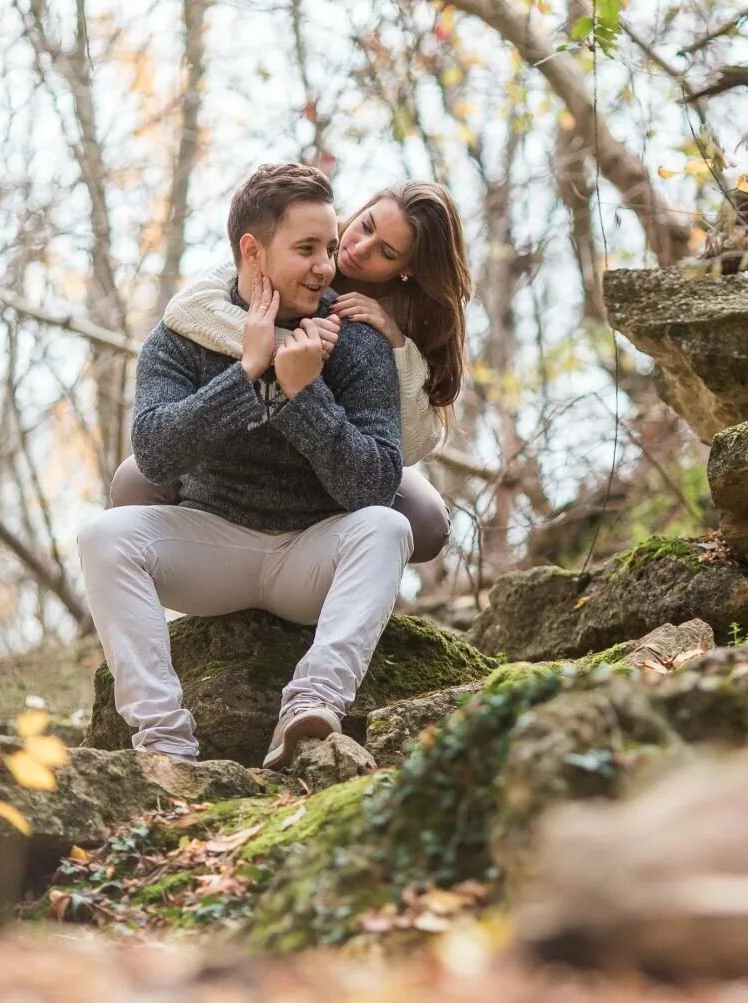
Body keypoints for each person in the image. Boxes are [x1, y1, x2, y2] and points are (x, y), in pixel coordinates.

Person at [78, 162, 411, 768]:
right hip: (214, 547)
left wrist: (301, 393)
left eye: (330, 248)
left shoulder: (356, 339)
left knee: (388, 527)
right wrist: (250, 374)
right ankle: (165, 743)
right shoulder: (183, 334)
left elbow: (375, 483)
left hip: (312, 556)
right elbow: (154, 452)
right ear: (252, 252)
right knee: (104, 536)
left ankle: (310, 709)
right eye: (306, 249)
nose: (326, 267)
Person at [109, 180, 471, 564]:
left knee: (427, 520)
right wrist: (288, 343)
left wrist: (397, 346)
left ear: (408, 270)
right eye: (366, 226)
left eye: (386, 251)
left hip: (342, 449)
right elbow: (188, 312)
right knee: (135, 479)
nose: (359, 248)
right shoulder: (296, 243)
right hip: (246, 443)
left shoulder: (403, 324)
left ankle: (339, 571)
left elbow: (411, 445)